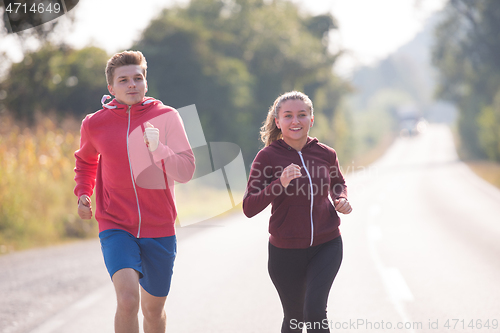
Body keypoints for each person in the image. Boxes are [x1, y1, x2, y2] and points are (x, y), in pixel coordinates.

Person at [74, 50, 195, 333]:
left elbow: (187, 170)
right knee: (127, 300)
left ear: (146, 82)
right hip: (115, 224)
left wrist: (159, 149)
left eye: (138, 78)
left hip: (159, 226)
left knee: (153, 311)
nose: (132, 85)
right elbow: (86, 161)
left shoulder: (168, 116)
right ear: (111, 87)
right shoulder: (94, 123)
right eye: (124, 80)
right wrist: (83, 193)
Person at [242, 91, 352, 333]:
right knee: (294, 318)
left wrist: (341, 198)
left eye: (302, 115)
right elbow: (249, 207)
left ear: (311, 119)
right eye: (288, 116)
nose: (295, 121)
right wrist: (278, 183)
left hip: (327, 244)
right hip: (285, 252)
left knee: (314, 311)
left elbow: (337, 182)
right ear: (277, 121)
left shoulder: (325, 153)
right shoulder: (267, 157)